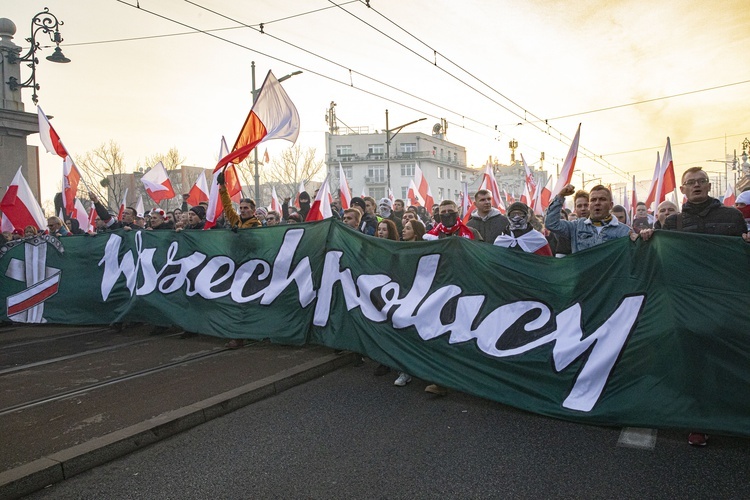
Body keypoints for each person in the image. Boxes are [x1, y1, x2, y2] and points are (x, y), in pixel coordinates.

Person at [638, 168, 748, 446]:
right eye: (690, 183)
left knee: (725, 359)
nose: (696, 186)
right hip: (687, 304)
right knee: (694, 363)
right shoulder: (673, 222)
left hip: (724, 301)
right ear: (683, 190)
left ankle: (733, 415)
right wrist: (646, 237)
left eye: (701, 182)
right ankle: (698, 422)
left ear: (709, 186)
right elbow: (657, 256)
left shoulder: (732, 217)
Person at [421, 200, 480, 395]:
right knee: (439, 335)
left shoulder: (471, 233)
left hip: (466, 291)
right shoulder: (429, 236)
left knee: (464, 334)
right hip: (438, 292)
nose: (446, 214)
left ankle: (468, 377)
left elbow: (483, 258)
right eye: (443, 212)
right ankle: (440, 381)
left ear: (458, 212)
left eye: (450, 211)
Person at [545, 184, 631, 253]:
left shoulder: (624, 231)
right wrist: (560, 196)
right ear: (589, 206)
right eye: (593, 200)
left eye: (602, 199)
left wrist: (642, 238)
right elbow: (551, 223)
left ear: (611, 205)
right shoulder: (576, 227)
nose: (597, 203)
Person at [391, 219, 426, 388]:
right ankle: (405, 371)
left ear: (416, 232)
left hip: (421, 297)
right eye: (403, 228)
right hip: (402, 296)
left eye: (407, 228)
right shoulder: (399, 249)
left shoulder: (426, 250)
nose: (403, 231)